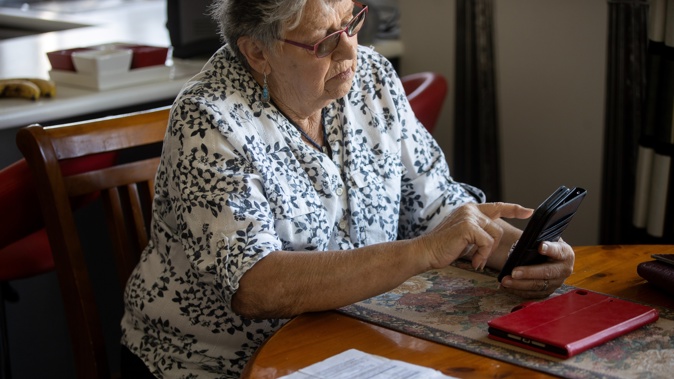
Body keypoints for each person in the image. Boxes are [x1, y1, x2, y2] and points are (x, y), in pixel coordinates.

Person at [120, 0, 575, 377]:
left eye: (351, 22)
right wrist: (421, 252)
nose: (349, 52)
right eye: (323, 41)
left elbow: (439, 206)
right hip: (220, 364)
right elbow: (255, 287)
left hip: (352, 343)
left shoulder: (371, 76)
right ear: (258, 52)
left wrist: (529, 253)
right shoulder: (210, 119)